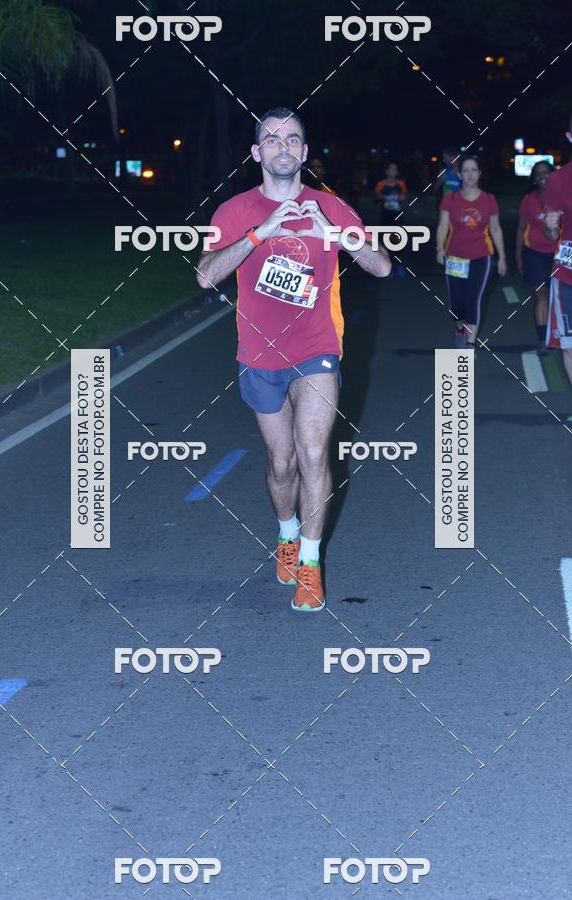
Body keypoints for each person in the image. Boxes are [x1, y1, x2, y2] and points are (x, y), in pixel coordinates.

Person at [196, 107, 390, 612]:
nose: (282, 146)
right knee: (281, 464)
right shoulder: (234, 211)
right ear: (255, 152)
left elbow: (381, 266)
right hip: (259, 354)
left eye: (292, 139)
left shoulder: (332, 207)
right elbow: (205, 276)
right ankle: (286, 532)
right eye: (272, 139)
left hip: (316, 349)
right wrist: (259, 233)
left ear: (304, 151)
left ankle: (309, 562)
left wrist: (335, 233)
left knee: (313, 454)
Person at [436, 154, 507, 349]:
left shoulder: (489, 200)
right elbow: (442, 227)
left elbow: (496, 229)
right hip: (455, 257)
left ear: (479, 173)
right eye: (465, 171)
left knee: (474, 298)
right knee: (457, 303)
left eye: (474, 170)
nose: (470, 174)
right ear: (459, 174)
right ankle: (459, 327)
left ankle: (470, 343)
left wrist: (502, 257)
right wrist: (440, 248)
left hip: (481, 256)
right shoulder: (450, 199)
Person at [544, 113, 572, 407]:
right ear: (569, 137)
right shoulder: (557, 180)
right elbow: (550, 231)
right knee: (570, 346)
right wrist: (551, 226)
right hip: (567, 275)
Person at [515, 160, 557, 354]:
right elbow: (520, 228)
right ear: (534, 178)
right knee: (542, 295)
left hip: (560, 255)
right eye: (538, 173)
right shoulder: (528, 200)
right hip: (534, 254)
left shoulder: (564, 196)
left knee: (560, 297)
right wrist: (518, 257)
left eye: (546, 172)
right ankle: (543, 340)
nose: (542, 177)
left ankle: (560, 335)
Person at [374, 162, 408, 277]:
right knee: (385, 241)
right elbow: (377, 197)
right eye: (392, 169)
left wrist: (399, 197)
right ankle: (388, 268)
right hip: (385, 216)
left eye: (396, 169)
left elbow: (404, 196)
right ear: (387, 171)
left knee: (399, 240)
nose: (394, 171)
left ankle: (399, 265)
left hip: (398, 216)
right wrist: (384, 197)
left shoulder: (401, 184)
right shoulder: (381, 184)